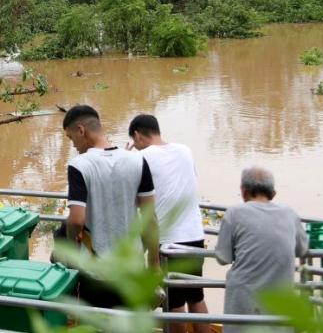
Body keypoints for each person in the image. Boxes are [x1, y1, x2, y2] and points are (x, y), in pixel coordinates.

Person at [61, 105, 160, 308]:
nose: (73, 146)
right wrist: (154, 266)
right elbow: (150, 219)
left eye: (71, 139)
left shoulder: (79, 165)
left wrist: (71, 255)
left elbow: (77, 220)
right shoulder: (138, 160)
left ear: (81, 130)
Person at [128, 114, 210, 333]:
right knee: (196, 298)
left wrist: (127, 156)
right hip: (194, 235)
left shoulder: (141, 158)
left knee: (173, 306)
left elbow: (133, 195)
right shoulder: (185, 150)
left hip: (168, 242)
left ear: (136, 135)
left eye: (134, 143)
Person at [215, 167, 308, 331]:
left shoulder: (234, 213)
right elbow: (302, 249)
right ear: (273, 193)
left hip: (243, 304)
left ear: (244, 192)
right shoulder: (289, 213)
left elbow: (223, 258)